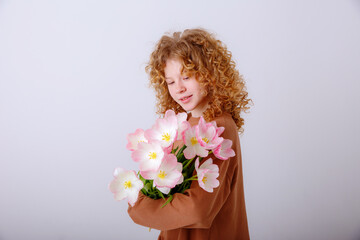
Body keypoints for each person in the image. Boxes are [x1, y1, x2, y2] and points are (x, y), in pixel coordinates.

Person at [128, 28, 252, 240]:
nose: (179, 89)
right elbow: (172, 197)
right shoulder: (180, 124)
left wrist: (140, 207)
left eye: (186, 76)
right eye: (171, 82)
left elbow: (197, 208)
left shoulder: (218, 128)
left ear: (209, 74)